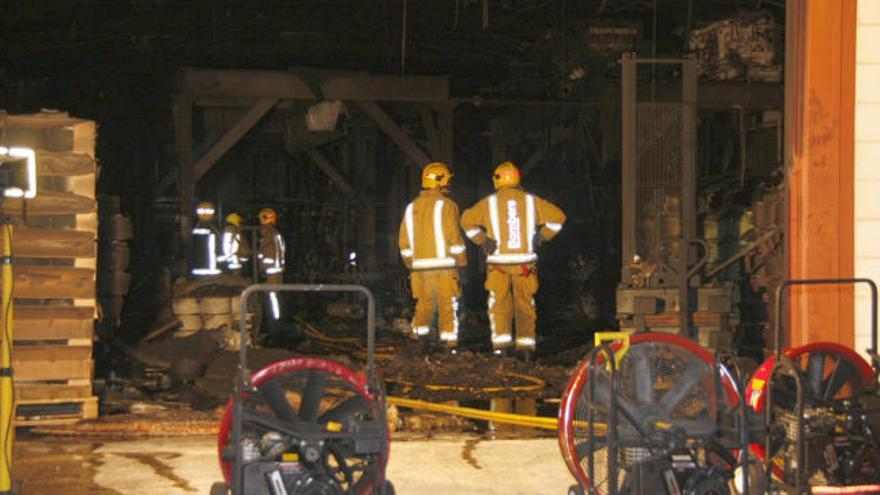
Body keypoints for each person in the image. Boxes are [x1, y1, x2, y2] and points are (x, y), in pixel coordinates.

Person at [460, 161, 565, 361]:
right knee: (525, 305)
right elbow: (559, 217)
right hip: (525, 265)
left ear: (498, 180)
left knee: (499, 304)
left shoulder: (489, 203)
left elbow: (466, 221)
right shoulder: (531, 201)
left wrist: (482, 240)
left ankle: (502, 348)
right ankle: (526, 350)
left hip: (498, 265)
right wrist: (542, 236)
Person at [398, 162, 467, 352]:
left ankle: (418, 339)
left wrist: (412, 264)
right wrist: (461, 261)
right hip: (444, 268)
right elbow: (454, 237)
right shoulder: (448, 205)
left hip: (420, 269)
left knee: (424, 304)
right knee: (447, 305)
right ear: (441, 180)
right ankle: (448, 344)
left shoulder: (411, 207)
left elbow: (404, 243)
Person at [257, 207, 285, 321]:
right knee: (273, 296)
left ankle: (275, 322)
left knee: (273, 297)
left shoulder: (269, 235)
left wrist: (263, 267)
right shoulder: (275, 234)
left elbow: (269, 254)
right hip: (275, 271)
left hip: (271, 272)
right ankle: (274, 321)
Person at [190, 201, 221, 277]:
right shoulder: (213, 230)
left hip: (198, 269)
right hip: (210, 269)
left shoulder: (194, 230)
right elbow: (218, 245)